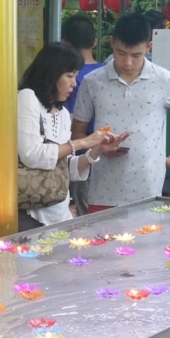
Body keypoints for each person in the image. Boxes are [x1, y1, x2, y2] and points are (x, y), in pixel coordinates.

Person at [72, 13, 170, 211]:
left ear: (148, 47)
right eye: (121, 53)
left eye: (136, 55)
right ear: (111, 43)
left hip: (148, 189)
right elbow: (78, 131)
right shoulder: (92, 82)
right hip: (102, 189)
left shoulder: (163, 79)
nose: (128, 62)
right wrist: (98, 148)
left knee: (147, 240)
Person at [18, 42, 122, 229]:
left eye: (75, 76)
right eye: (69, 76)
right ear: (51, 74)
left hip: (59, 210)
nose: (74, 83)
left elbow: (67, 169)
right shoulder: (27, 97)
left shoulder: (63, 114)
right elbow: (31, 155)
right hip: (29, 210)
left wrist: (96, 150)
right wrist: (82, 142)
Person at [61, 13, 105, 216]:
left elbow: (67, 121)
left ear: (65, 43)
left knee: (84, 211)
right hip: (107, 154)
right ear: (95, 42)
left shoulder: (68, 77)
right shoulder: (105, 73)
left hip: (80, 156)